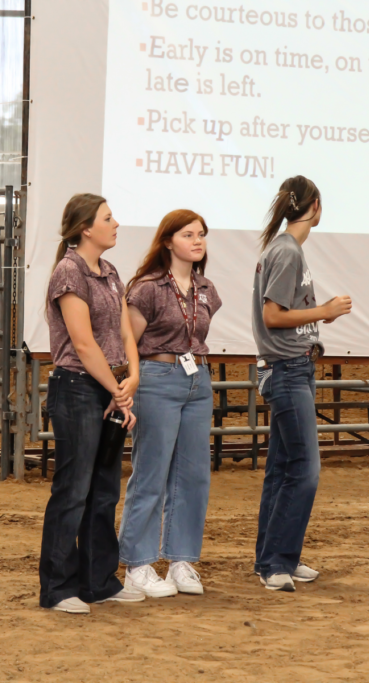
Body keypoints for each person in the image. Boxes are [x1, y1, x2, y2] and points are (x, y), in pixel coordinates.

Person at [39, 194, 144, 614]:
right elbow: (82, 343)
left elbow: (123, 331)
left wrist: (131, 376)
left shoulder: (110, 272)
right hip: (80, 388)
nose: (115, 223)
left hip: (108, 386)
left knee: (102, 490)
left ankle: (98, 580)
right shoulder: (69, 273)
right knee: (74, 490)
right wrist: (117, 389)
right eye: (107, 217)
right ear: (86, 228)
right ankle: (58, 588)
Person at [251, 176, 352, 592]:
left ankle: (276, 559)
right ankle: (277, 561)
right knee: (304, 472)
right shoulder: (288, 251)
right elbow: (273, 314)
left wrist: (318, 320)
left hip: (291, 367)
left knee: (282, 469)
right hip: (288, 370)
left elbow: (279, 315)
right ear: (315, 206)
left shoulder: (282, 249)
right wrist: (324, 310)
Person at [118, 210, 222, 597]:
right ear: (167, 241)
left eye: (201, 235)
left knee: (194, 474)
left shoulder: (206, 288)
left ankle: (181, 561)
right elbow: (129, 341)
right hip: (157, 377)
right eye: (188, 234)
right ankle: (138, 564)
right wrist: (130, 381)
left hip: (197, 379)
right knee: (151, 472)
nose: (197, 241)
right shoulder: (147, 288)